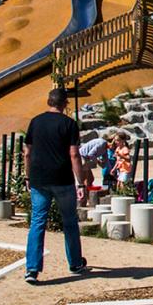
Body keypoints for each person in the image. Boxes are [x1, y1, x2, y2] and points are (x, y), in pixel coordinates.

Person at [25, 88, 88, 283]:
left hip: (38, 178)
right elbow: (74, 154)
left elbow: (27, 152)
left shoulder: (35, 122)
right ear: (65, 104)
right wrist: (81, 183)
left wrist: (27, 177)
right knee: (69, 221)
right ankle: (75, 262)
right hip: (61, 178)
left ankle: (32, 268)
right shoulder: (69, 124)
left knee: (38, 221)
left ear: (48, 101)